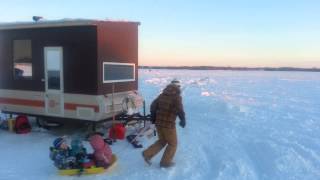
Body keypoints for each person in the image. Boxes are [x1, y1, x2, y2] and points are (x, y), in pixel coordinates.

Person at [142, 79, 186, 168]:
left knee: (162, 141)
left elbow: (153, 106)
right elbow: (179, 109)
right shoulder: (176, 97)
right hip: (168, 125)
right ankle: (165, 163)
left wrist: (153, 117)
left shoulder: (162, 95)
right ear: (178, 87)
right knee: (173, 144)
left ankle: (147, 154)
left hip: (159, 124)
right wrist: (182, 119)